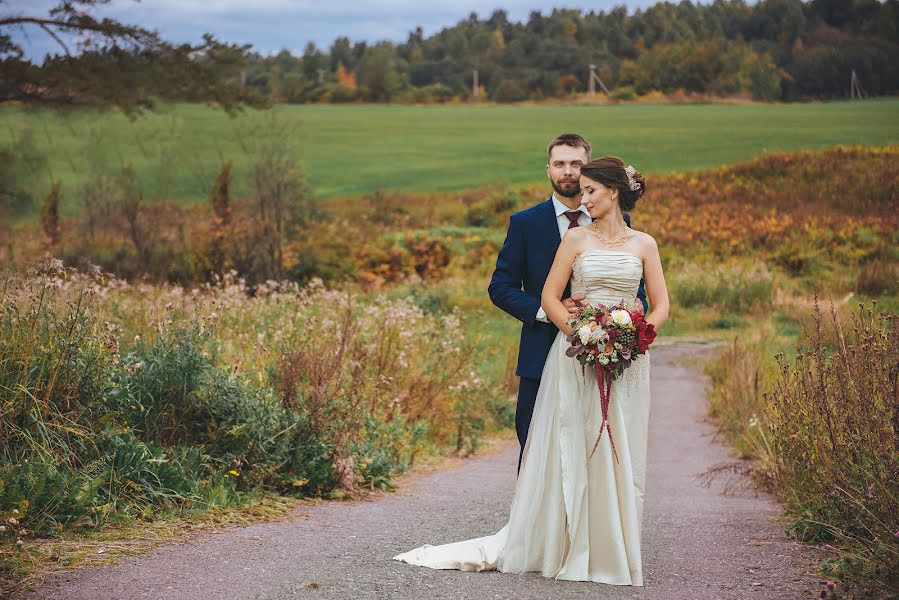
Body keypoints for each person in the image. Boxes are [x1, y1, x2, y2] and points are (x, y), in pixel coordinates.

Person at [393, 156, 669, 585]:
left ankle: (611, 547)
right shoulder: (576, 239)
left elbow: (660, 302)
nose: (585, 196)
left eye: (592, 189)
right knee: (573, 440)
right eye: (583, 189)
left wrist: (635, 337)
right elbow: (550, 296)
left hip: (628, 362)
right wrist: (583, 335)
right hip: (578, 354)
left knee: (620, 446)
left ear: (614, 192)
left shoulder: (645, 244)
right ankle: (563, 542)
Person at [486, 134, 647, 473]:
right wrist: (550, 311)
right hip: (539, 354)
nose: (568, 172)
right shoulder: (525, 223)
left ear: (587, 168)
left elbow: (637, 288)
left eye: (576, 164)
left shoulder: (620, 224)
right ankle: (537, 526)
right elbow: (500, 287)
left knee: (595, 448)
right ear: (549, 170)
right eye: (560, 164)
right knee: (535, 450)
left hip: (603, 355)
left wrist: (623, 320)